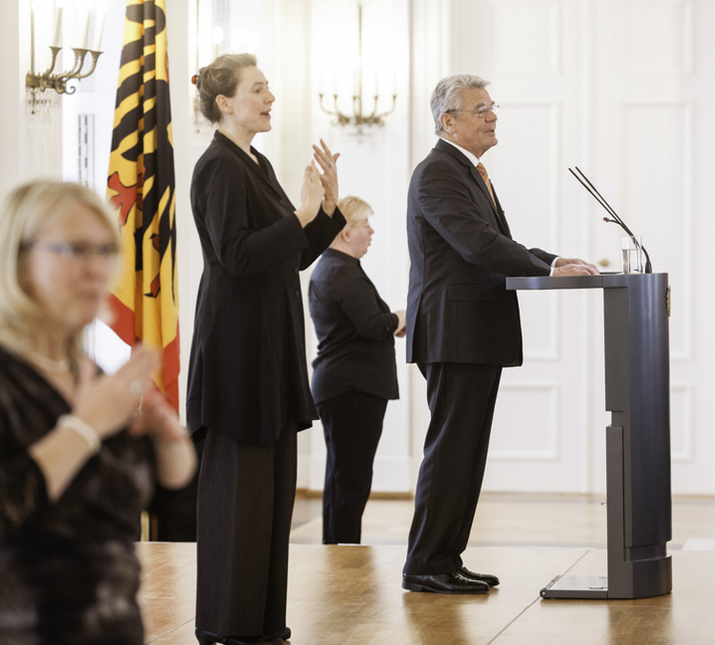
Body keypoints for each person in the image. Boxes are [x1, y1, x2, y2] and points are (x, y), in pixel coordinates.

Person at [0, 179, 197, 644]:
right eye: (76, 250)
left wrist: (169, 439)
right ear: (19, 262)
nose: (98, 269)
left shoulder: (86, 372)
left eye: (106, 250)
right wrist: (86, 425)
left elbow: (164, 507)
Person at [402, 75, 598, 594]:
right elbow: (478, 245)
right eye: (480, 108)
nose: (493, 116)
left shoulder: (468, 172)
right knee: (450, 451)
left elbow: (496, 242)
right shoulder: (437, 173)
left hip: (473, 331)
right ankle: (424, 563)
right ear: (449, 121)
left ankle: (445, 558)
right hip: (454, 331)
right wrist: (549, 270)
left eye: (493, 107)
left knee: (466, 452)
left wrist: (552, 259)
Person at [187, 53, 345, 645]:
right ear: (225, 102)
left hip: (271, 347)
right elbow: (237, 255)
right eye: (258, 90)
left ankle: (261, 625)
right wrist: (302, 214)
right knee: (239, 500)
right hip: (236, 353)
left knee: (271, 499)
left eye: (269, 88)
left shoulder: (257, 162)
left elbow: (294, 253)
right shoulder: (218, 167)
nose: (270, 97)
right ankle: (227, 626)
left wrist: (324, 210)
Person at [308, 196, 405, 545]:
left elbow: (360, 324)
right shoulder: (341, 271)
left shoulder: (335, 268)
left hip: (344, 384)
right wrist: (401, 318)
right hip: (352, 386)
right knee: (351, 477)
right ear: (346, 232)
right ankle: (344, 550)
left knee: (342, 475)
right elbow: (370, 325)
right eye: (365, 224)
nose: (371, 231)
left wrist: (387, 321)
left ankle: (337, 547)